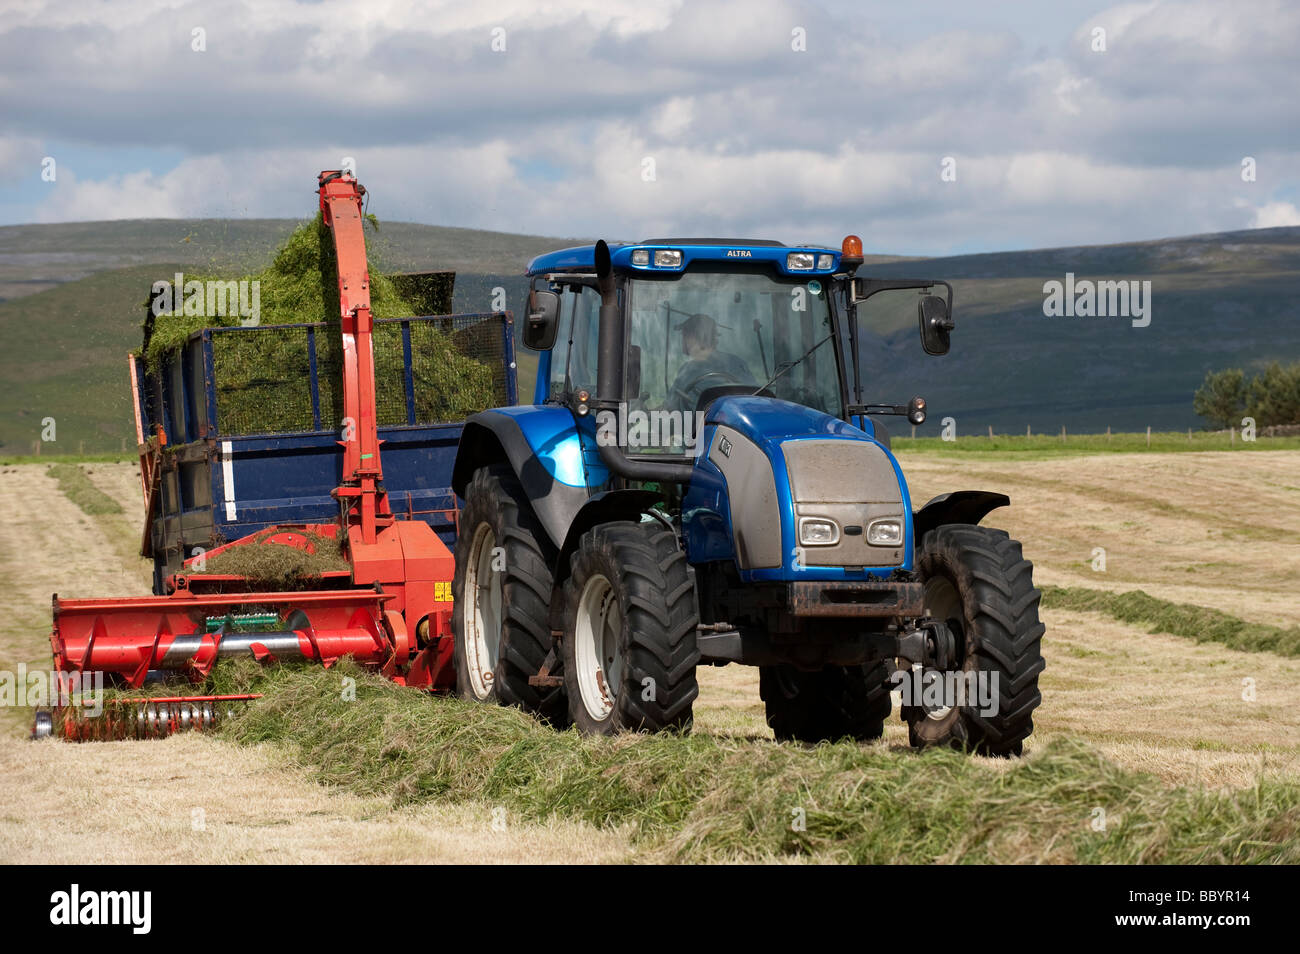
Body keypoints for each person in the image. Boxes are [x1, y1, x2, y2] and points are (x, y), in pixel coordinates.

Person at [667, 313, 753, 412]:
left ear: (692, 337)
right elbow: (755, 397)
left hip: (696, 426)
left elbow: (669, 409)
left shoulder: (686, 372)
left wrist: (649, 414)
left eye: (684, 335)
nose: (683, 340)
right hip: (732, 425)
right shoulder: (737, 363)